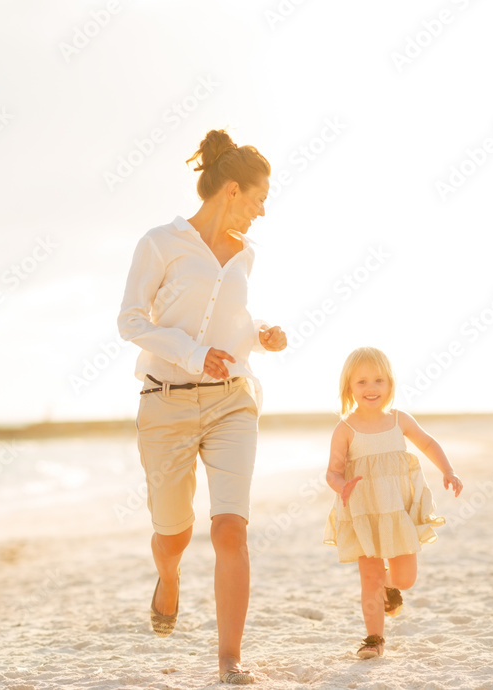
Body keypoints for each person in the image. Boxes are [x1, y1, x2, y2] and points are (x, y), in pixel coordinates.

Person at [117, 129, 286, 685]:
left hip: (232, 402)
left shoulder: (247, 256)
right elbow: (131, 322)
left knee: (230, 531)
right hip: (164, 405)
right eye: (259, 198)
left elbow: (231, 323)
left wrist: (261, 334)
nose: (263, 211)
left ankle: (228, 659)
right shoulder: (161, 243)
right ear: (233, 190)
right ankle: (168, 579)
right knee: (174, 535)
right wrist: (192, 354)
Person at [323, 346, 463, 659]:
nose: (371, 388)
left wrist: (448, 470)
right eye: (361, 382)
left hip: (397, 511)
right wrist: (341, 485)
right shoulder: (345, 429)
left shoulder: (399, 419)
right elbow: (332, 472)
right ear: (349, 387)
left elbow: (427, 442)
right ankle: (374, 639)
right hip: (363, 512)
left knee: (405, 579)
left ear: (390, 384)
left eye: (378, 381)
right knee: (368, 577)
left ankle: (389, 586)